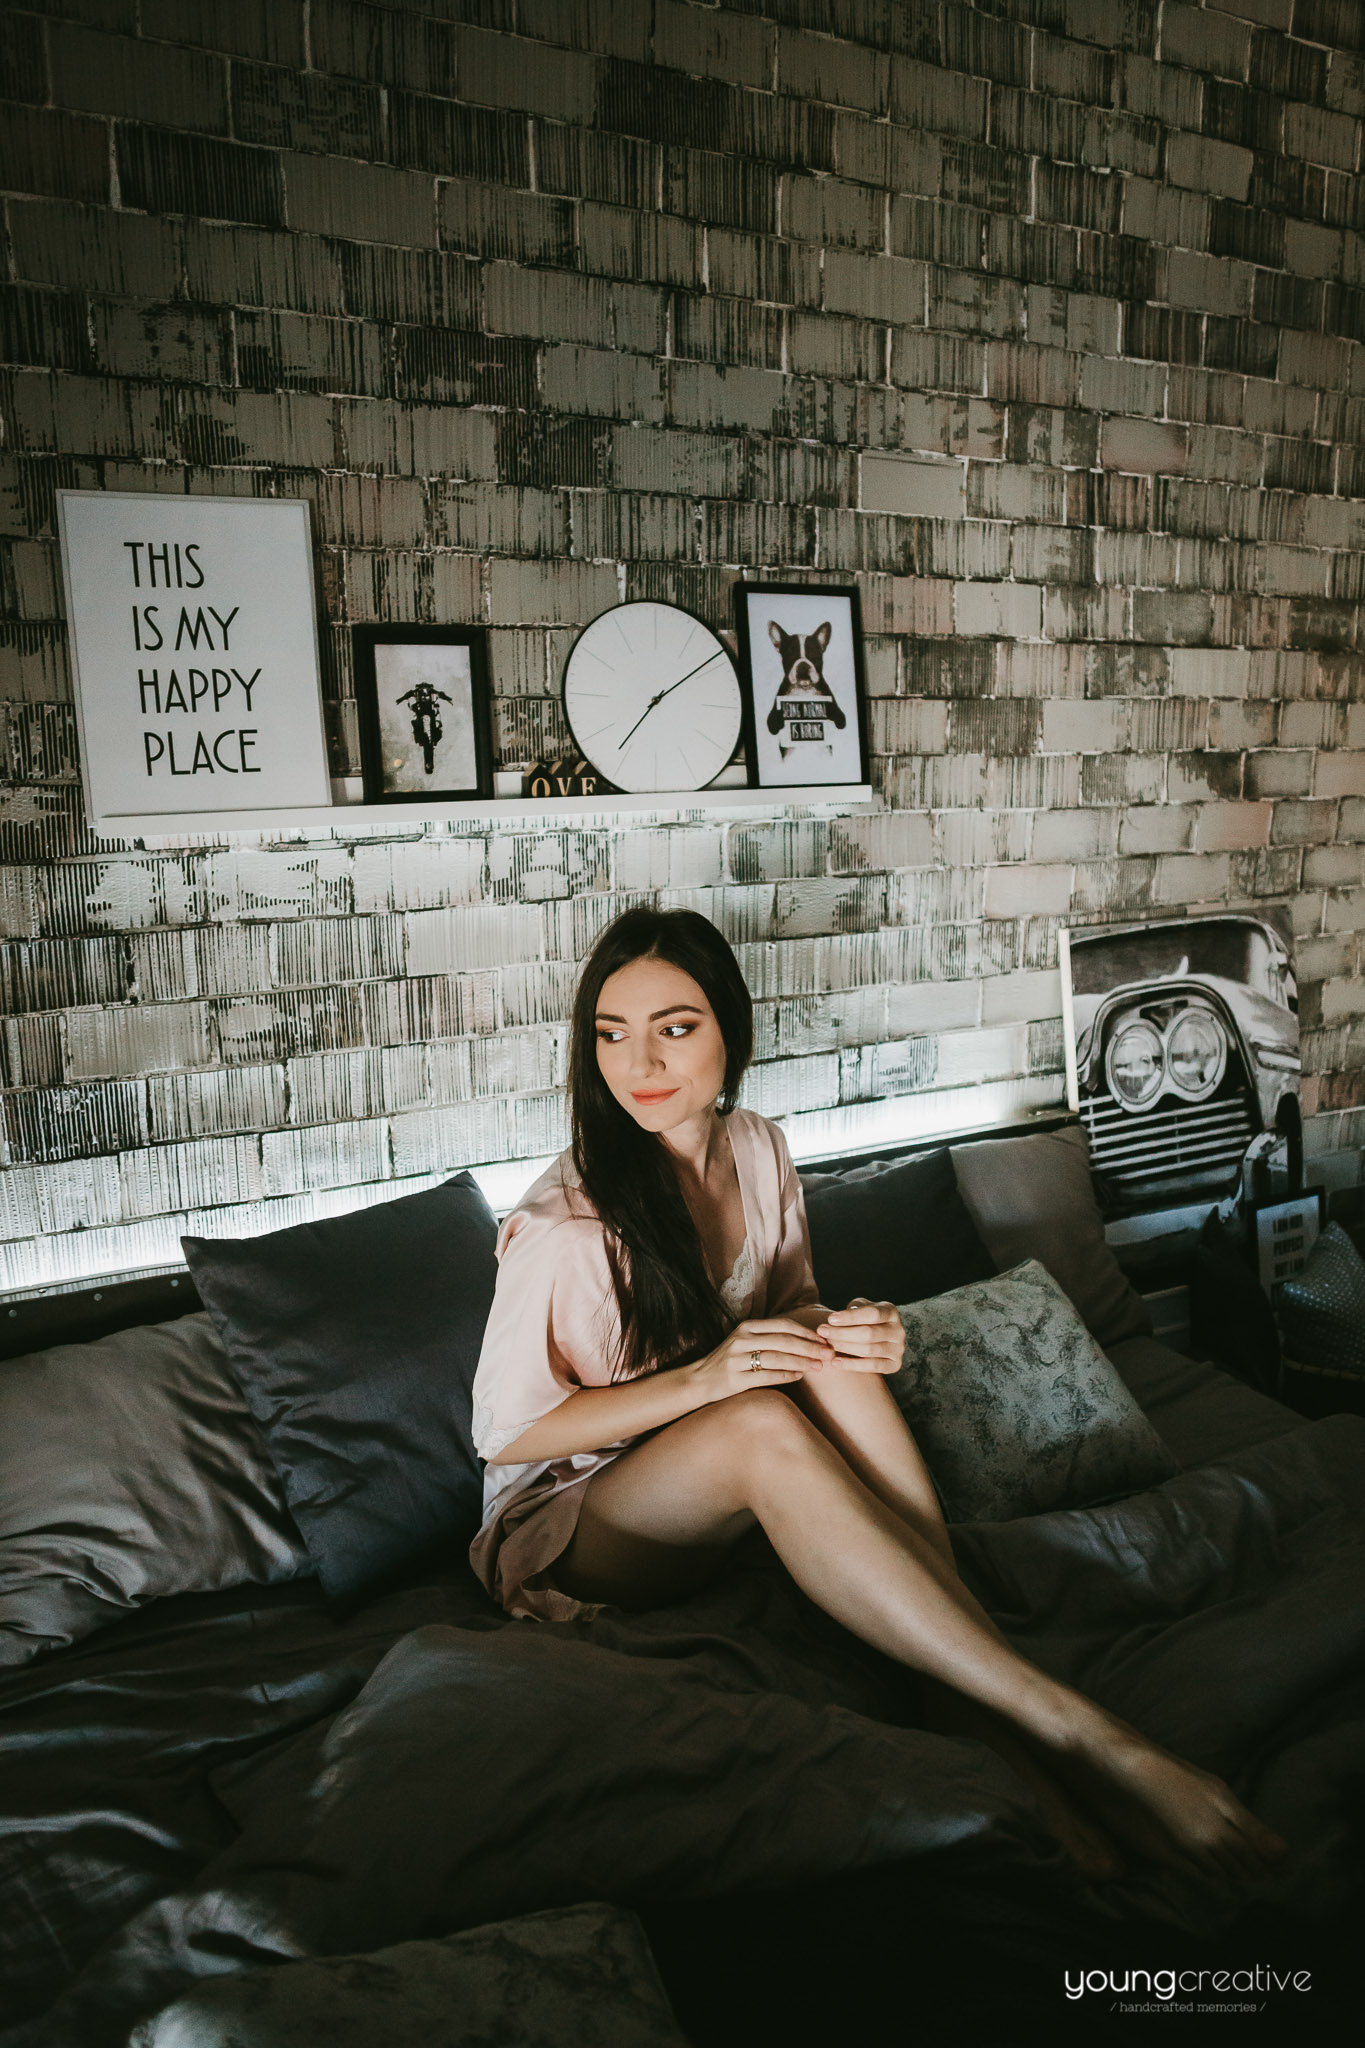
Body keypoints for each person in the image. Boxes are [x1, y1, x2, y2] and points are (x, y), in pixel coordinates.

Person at [469, 907, 1287, 1888]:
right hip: (574, 1512)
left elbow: (792, 1307)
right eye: (612, 1032)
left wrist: (862, 1331)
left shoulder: (761, 1148)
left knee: (831, 1356)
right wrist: (706, 1377)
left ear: (730, 1028)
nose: (637, 1059)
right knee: (761, 1420)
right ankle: (1086, 1734)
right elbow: (506, 1436)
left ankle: (959, 1678)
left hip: (709, 1446)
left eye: (673, 1026)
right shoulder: (567, 1226)